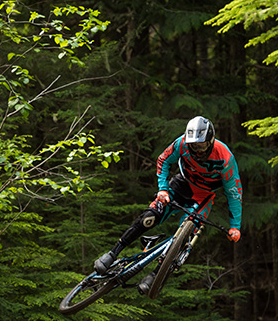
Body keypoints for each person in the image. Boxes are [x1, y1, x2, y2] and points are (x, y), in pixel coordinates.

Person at [94, 116, 243, 294]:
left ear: (210, 141)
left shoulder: (225, 157)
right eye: (193, 146)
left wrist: (235, 227)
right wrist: (163, 189)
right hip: (180, 184)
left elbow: (234, 193)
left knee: (188, 234)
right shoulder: (181, 143)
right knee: (149, 218)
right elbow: (163, 160)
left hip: (203, 197)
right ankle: (113, 253)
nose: (197, 151)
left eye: (202, 146)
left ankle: (155, 275)